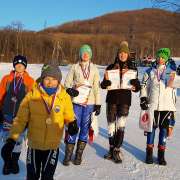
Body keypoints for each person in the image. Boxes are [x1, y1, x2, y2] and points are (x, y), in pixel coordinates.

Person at [1, 64, 78, 180]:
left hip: (52, 146)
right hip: (34, 146)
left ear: (58, 80)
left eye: (54, 79)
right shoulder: (31, 95)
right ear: (42, 79)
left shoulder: (64, 97)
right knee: (32, 176)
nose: (50, 82)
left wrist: (71, 123)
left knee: (48, 176)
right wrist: (12, 139)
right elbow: (21, 119)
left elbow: (69, 115)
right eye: (47, 78)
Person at [101, 41, 141, 163]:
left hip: (124, 100)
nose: (122, 55)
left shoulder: (133, 69)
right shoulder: (110, 67)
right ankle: (111, 148)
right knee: (111, 126)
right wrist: (104, 84)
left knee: (121, 125)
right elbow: (103, 84)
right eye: (120, 53)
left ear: (128, 55)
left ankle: (117, 150)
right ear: (117, 54)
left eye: (125, 53)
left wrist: (136, 85)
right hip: (111, 100)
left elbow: (136, 88)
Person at [63, 44, 101, 166]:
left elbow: (96, 87)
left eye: (87, 52)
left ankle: (78, 155)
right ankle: (68, 155)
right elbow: (67, 83)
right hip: (76, 102)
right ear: (80, 54)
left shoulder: (94, 69)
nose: (85, 54)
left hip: (89, 103)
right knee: (73, 127)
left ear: (90, 55)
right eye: (83, 52)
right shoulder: (74, 67)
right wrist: (70, 90)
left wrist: (98, 104)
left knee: (85, 129)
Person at [140, 48, 176, 165]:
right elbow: (143, 86)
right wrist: (143, 97)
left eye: (163, 57)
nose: (161, 59)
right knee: (151, 129)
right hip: (153, 105)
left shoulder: (171, 71)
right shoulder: (149, 71)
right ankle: (149, 154)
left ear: (166, 59)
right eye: (159, 56)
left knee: (164, 130)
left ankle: (161, 156)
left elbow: (176, 86)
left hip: (166, 106)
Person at [0, 55, 34, 175]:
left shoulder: (30, 81)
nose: (19, 66)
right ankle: (7, 162)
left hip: (21, 116)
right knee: (6, 138)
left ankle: (14, 162)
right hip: (7, 114)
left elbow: (32, 100)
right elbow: (1, 95)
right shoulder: (6, 79)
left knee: (18, 140)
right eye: (17, 64)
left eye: (22, 64)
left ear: (25, 66)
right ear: (14, 65)